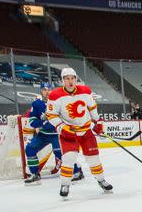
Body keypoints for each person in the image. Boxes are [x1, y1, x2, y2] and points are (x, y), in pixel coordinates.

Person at [45, 67, 113, 198]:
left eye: (72, 78)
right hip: (69, 133)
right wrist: (62, 127)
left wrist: (98, 122)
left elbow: (92, 108)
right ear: (62, 81)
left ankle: (101, 180)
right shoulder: (55, 95)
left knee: (94, 159)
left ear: (76, 79)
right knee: (68, 159)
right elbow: (51, 115)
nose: (70, 81)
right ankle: (65, 184)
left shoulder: (85, 91)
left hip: (86, 131)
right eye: (67, 79)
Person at [23, 82, 83, 184]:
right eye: (44, 90)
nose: (47, 92)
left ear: (52, 90)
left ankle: (77, 171)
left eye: (49, 89)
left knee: (60, 154)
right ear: (41, 91)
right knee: (29, 148)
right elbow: (33, 122)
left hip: (57, 134)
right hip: (43, 134)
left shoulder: (59, 102)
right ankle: (35, 173)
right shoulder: (37, 104)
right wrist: (43, 122)